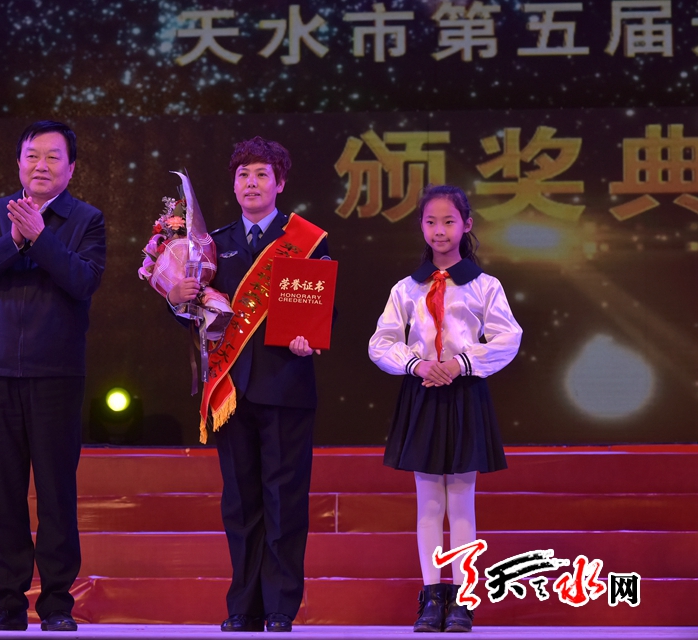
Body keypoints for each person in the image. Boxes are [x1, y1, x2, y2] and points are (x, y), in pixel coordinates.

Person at [168, 137, 330, 633]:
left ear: (280, 183)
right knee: (240, 503)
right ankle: (243, 605)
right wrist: (179, 298)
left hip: (286, 388)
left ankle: (280, 606)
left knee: (284, 501)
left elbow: (323, 309)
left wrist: (309, 338)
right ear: (233, 184)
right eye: (243, 175)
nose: (251, 183)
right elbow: (199, 319)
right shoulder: (212, 244)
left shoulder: (307, 239)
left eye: (262, 175)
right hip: (231, 392)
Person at [0, 120, 106, 632]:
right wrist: (14, 240)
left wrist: (40, 238)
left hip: (56, 374)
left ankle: (58, 605)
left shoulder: (86, 219)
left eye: (52, 157)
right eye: (32, 155)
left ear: (71, 167)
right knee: (2, 495)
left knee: (56, 493)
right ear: (19, 162)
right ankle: (7, 603)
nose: (41, 165)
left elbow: (83, 280)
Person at [368, 185, 522, 633]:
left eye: (449, 221)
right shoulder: (406, 288)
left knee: (462, 502)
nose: (440, 230)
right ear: (421, 226)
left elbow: (508, 337)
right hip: (423, 393)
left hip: (464, 392)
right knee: (429, 503)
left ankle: (463, 601)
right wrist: (417, 364)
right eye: (431, 222)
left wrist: (461, 363)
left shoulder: (485, 286)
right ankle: (432, 599)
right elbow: (381, 342)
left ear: (466, 225)